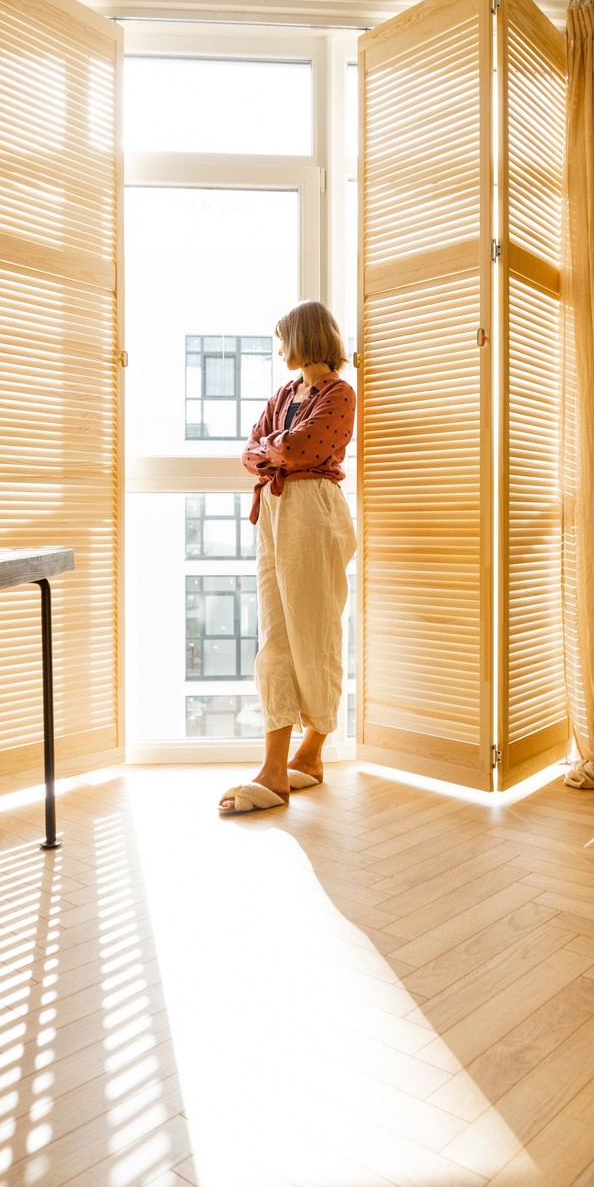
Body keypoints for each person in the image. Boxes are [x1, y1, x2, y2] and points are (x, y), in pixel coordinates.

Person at [220, 300, 357, 814]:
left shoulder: (340, 394)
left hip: (314, 511)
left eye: (283, 338)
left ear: (304, 337)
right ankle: (277, 766)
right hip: (276, 510)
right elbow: (251, 449)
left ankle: (310, 753)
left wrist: (271, 449)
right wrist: (273, 449)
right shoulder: (286, 392)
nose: (279, 348)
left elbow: (302, 449)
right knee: (275, 636)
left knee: (315, 633)